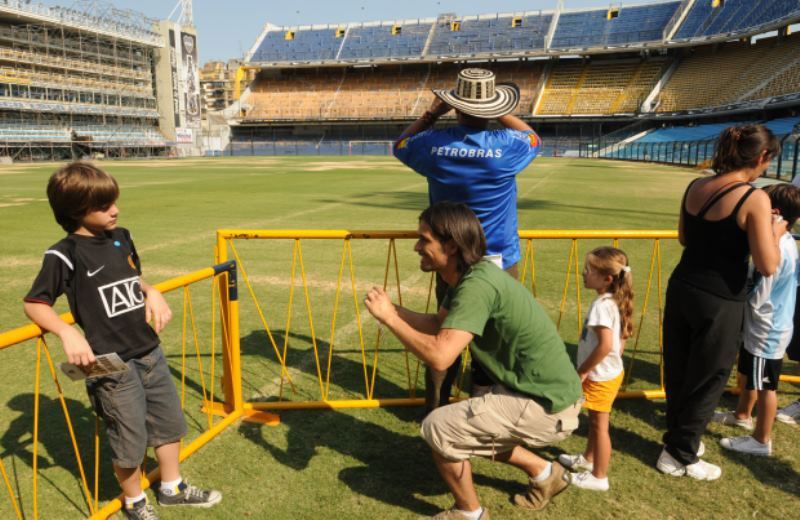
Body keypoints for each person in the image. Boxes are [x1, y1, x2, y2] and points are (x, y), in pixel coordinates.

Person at [23, 163, 222, 520]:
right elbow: (34, 303)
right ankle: (135, 504)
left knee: (170, 423)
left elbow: (134, 277)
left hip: (150, 351)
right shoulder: (63, 254)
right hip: (111, 365)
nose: (115, 210)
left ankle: (172, 488)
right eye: (103, 205)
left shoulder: (122, 237)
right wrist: (67, 331)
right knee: (128, 439)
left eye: (114, 201)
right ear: (76, 211)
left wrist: (152, 291)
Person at [364, 202, 582, 519]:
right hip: (544, 396)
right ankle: (545, 473)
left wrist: (390, 320)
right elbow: (439, 325)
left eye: (424, 239)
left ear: (451, 244)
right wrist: (392, 311)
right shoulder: (471, 277)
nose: (416, 247)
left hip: (547, 405)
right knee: (471, 422)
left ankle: (469, 513)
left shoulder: (477, 285)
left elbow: (440, 356)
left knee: (439, 427)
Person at [393, 68, 542, 413]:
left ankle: (437, 409)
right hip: (500, 259)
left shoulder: (434, 145)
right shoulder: (507, 146)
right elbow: (533, 138)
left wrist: (432, 114)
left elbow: (400, 145)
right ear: (489, 108)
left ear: (455, 108)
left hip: (451, 259)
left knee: (445, 331)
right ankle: (484, 407)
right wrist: (497, 110)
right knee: (496, 335)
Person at [659, 125, 783, 480]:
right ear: (761, 157)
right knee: (709, 377)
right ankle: (679, 454)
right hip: (721, 299)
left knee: (681, 371)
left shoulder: (696, 185)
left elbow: (684, 237)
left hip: (683, 285)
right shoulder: (754, 197)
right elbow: (767, 264)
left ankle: (680, 439)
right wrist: (773, 232)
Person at [712, 183, 800, 455]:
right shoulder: (782, 242)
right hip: (766, 324)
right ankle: (742, 415)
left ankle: (761, 440)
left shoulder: (778, 250)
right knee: (752, 374)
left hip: (768, 327)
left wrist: (737, 302)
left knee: (765, 385)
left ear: (772, 212)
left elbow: (760, 293)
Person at [559, 247, 634, 491]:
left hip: (600, 376)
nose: (583, 273)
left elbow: (605, 346)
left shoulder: (603, 306)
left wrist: (582, 371)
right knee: (594, 422)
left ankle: (599, 477)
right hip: (608, 374)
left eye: (589, 270)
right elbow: (620, 341)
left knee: (600, 425)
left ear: (607, 278)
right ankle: (588, 458)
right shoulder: (613, 300)